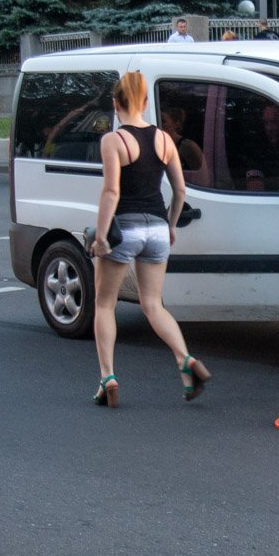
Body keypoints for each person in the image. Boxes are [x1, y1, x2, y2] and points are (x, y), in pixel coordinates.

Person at [90, 71, 210, 408]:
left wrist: (101, 236)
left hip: (125, 228)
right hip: (157, 228)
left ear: (116, 104)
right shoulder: (165, 139)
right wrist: (170, 226)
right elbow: (180, 190)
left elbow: (111, 192)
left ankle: (108, 377)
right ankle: (185, 360)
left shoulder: (113, 140)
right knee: (154, 305)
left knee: (104, 304)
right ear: (144, 102)